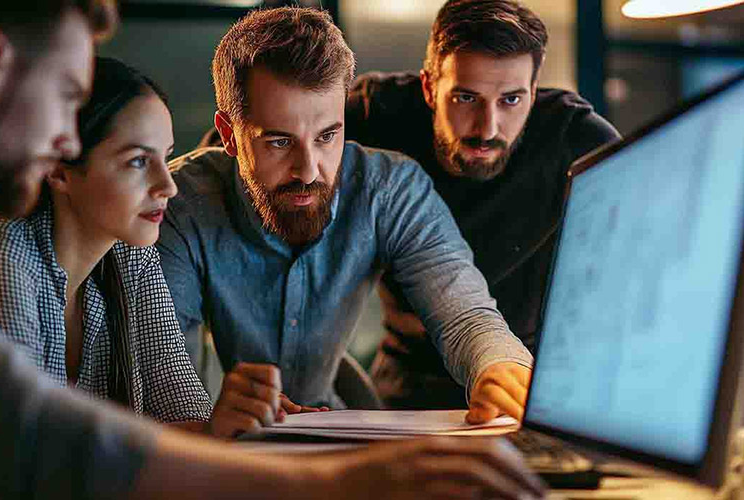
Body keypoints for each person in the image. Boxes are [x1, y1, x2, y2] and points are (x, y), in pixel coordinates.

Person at [0, 2, 545, 498]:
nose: (67, 139)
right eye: (68, 96)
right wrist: (333, 483)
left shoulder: (112, 251)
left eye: (327, 136)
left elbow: (171, 416)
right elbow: (28, 436)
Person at [157, 6, 533, 425]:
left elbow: (465, 313)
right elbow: (163, 373)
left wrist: (499, 367)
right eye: (280, 142)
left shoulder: (390, 189)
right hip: (224, 445)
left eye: (327, 136)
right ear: (229, 134)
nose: (309, 170)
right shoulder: (177, 204)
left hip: (342, 430)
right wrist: (209, 424)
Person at [345, 0, 622, 410]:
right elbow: (225, 166)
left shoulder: (574, 140)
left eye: (511, 100)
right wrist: (207, 411)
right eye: (465, 98)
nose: (487, 128)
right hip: (408, 375)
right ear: (428, 88)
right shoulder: (370, 120)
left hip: (525, 378)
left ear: (534, 92)